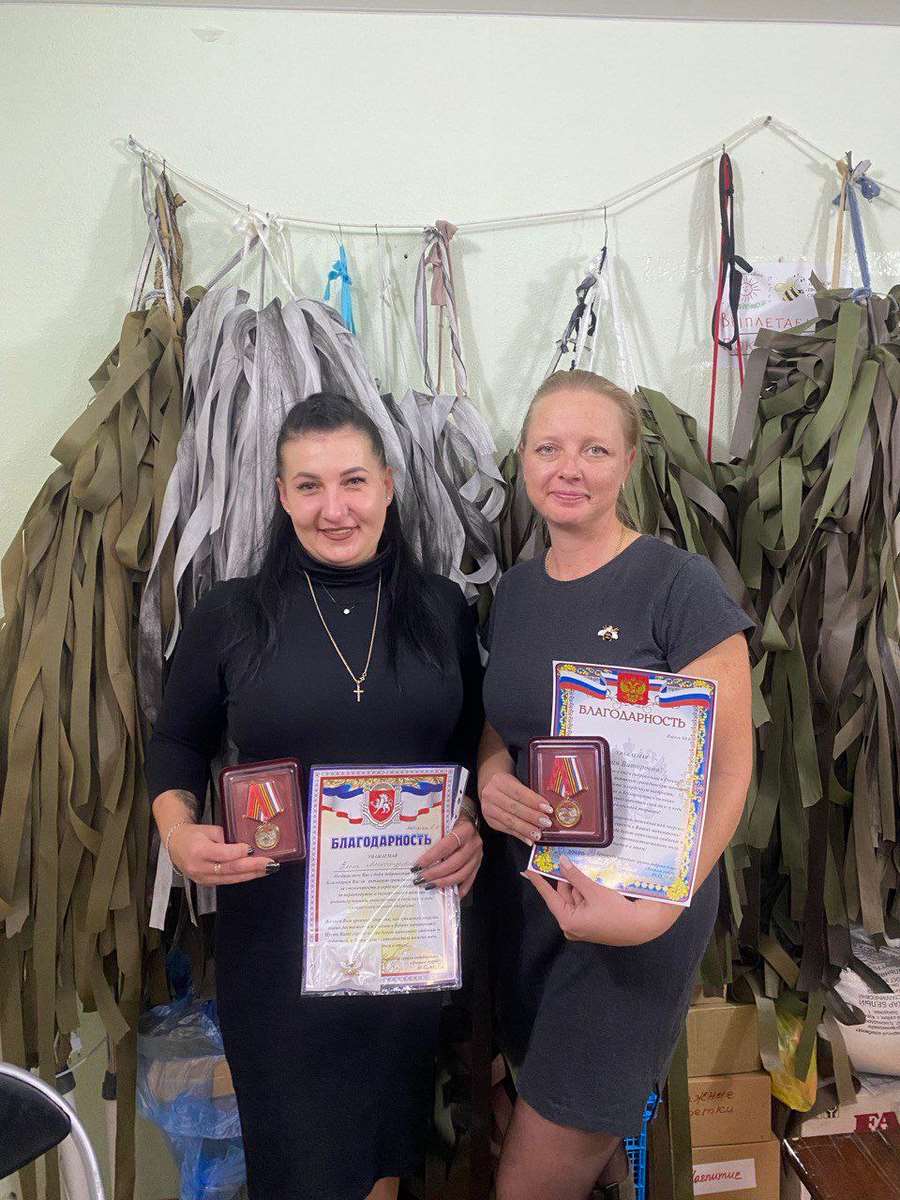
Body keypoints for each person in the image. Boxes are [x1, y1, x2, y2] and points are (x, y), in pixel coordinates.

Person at [147, 393, 484, 1200]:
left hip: (405, 932)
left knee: (383, 1154)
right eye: (309, 485)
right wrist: (178, 832)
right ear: (281, 494)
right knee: (298, 1166)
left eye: (353, 481)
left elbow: (471, 750)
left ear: (389, 486)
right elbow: (177, 743)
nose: (335, 509)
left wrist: (471, 823)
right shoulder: (230, 614)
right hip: (277, 945)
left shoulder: (441, 609)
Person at [478, 370, 753, 1200]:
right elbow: (505, 721)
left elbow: (730, 765)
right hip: (532, 903)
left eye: (595, 449)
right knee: (574, 1153)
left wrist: (661, 907)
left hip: (636, 917)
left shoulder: (679, 584)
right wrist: (491, 773)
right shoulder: (516, 592)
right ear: (524, 461)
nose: (570, 467)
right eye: (549, 447)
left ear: (629, 462)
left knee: (535, 1174)